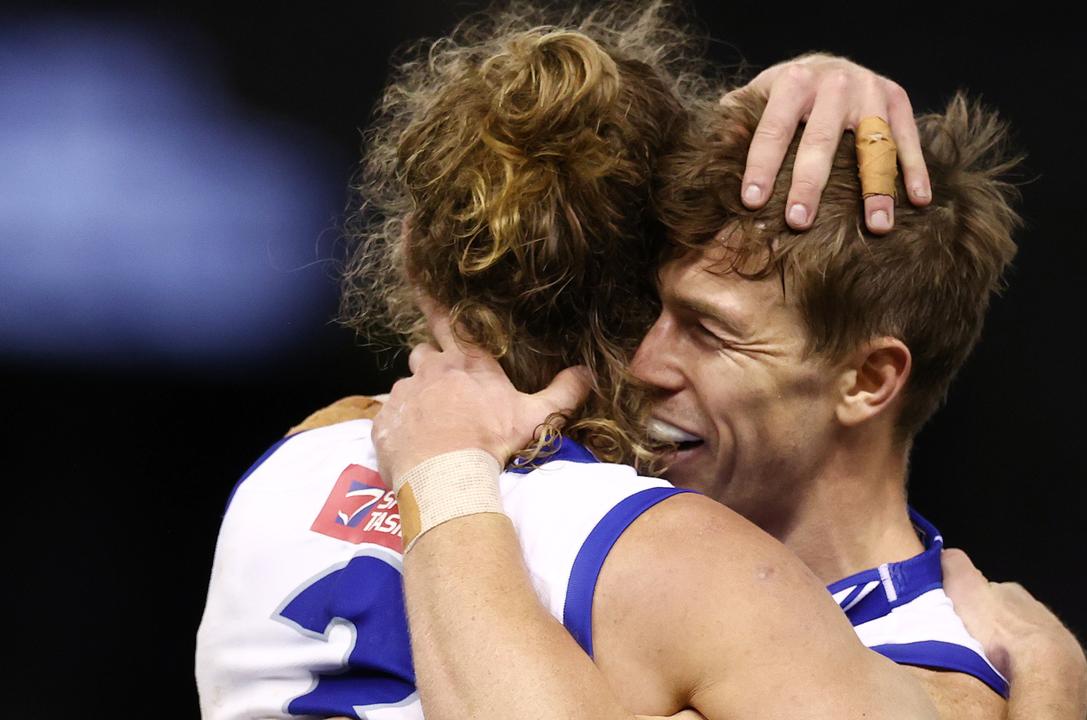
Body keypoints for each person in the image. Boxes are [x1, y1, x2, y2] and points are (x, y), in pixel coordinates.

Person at [194, 4, 954, 719]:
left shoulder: (284, 472)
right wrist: (1037, 672)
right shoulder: (701, 571)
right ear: (654, 271)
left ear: (411, 259)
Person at [371, 21, 1087, 720]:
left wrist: (443, 471)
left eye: (710, 332)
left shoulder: (928, 683)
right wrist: (816, 77)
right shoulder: (567, 492)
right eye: (652, 310)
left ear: (868, 380)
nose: (644, 362)